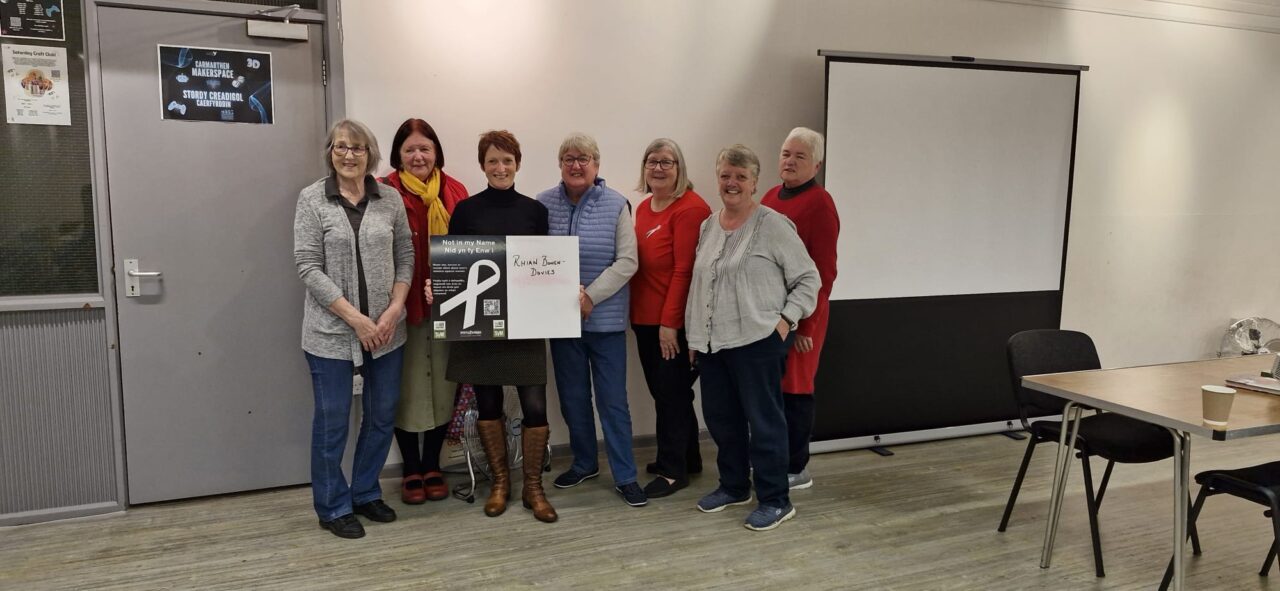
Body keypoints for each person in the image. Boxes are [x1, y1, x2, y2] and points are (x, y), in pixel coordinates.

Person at [686, 144, 819, 532]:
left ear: (755, 183)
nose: (732, 183)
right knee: (722, 422)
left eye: (741, 177)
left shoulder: (773, 225)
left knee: (764, 424)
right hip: (713, 345)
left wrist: (786, 321)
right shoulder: (709, 226)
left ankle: (776, 499)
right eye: (726, 175)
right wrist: (696, 336)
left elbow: (808, 279)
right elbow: (701, 287)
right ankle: (733, 486)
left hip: (757, 341)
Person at [294, 119, 413, 539]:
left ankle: (365, 492)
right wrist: (357, 320)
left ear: (371, 155)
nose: (349, 155)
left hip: (387, 332)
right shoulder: (312, 199)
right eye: (341, 147)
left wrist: (395, 308)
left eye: (358, 148)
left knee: (381, 417)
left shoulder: (390, 199)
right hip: (330, 334)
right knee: (332, 422)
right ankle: (333, 506)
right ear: (330, 152)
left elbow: (406, 256)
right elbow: (307, 265)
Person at [446, 130, 557, 523]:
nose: (500, 167)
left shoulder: (535, 211)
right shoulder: (465, 211)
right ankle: (499, 484)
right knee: (488, 404)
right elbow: (454, 268)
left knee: (535, 407)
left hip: (526, 323)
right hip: (482, 324)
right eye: (493, 160)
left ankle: (532, 488)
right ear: (482, 165)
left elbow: (547, 268)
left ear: (518, 164)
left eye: (507, 160)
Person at [536, 133, 644, 507]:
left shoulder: (616, 204)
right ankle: (584, 463)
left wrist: (590, 297)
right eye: (568, 157)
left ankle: (626, 475)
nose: (575, 164)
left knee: (613, 401)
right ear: (560, 164)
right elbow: (529, 258)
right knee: (573, 398)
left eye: (583, 158)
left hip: (606, 323)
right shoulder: (543, 203)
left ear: (597, 164)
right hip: (561, 323)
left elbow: (628, 261)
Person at [379, 118, 469, 504]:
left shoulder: (455, 191)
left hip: (449, 306)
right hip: (400, 306)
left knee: (443, 386)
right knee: (405, 387)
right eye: (410, 149)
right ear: (399, 153)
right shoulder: (383, 191)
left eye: (425, 148)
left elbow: (471, 247)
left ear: (437, 153)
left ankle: (432, 463)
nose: (418, 156)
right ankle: (411, 467)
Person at [630, 138, 711, 498]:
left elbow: (685, 270)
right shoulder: (646, 207)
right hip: (645, 317)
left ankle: (672, 470)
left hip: (672, 322)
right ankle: (688, 458)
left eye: (667, 162)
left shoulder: (690, 208)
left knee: (671, 395)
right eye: (652, 161)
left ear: (680, 169)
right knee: (670, 392)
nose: (658, 168)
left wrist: (669, 325)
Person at [760, 127, 840, 490]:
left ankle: (796, 467)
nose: (789, 161)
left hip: (802, 318)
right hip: (766, 315)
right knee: (771, 391)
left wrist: (806, 326)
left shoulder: (821, 203)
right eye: (785, 153)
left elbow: (824, 271)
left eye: (800, 156)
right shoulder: (770, 196)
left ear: (817, 164)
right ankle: (773, 458)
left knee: (795, 390)